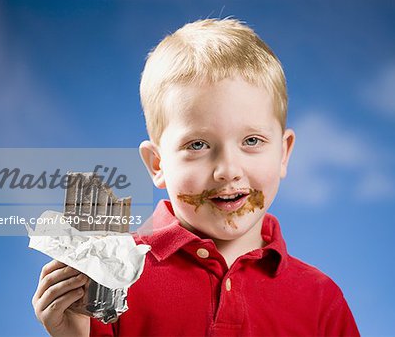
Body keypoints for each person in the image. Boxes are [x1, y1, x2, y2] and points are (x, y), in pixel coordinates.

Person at [32, 18, 360, 336]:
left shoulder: (321, 300)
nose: (228, 169)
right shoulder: (112, 276)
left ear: (284, 152)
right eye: (198, 145)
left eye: (251, 141)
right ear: (158, 164)